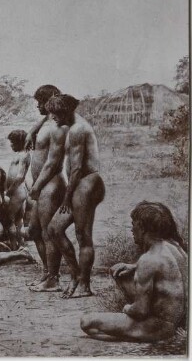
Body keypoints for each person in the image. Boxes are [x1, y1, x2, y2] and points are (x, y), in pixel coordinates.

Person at [80, 202, 187, 342]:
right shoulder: (174, 247)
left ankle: (132, 337)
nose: (131, 229)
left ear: (142, 228)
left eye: (133, 224)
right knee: (123, 275)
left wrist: (126, 308)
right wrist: (134, 266)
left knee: (86, 322)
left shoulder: (148, 260)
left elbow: (140, 311)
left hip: (157, 328)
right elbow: (163, 268)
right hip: (177, 322)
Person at [43, 94, 106, 298]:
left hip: (87, 183)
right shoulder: (71, 127)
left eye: (55, 113)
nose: (52, 117)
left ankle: (84, 285)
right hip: (81, 184)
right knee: (54, 228)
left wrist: (67, 197)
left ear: (65, 112)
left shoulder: (78, 129)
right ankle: (77, 275)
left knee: (82, 235)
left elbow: (77, 168)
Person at [26, 85, 67, 291]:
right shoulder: (48, 122)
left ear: (49, 101)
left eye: (40, 103)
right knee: (34, 230)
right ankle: (46, 272)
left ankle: (53, 278)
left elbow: (53, 163)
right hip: (42, 186)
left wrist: (37, 186)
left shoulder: (57, 127)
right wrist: (33, 128)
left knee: (48, 232)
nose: (37, 106)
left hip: (50, 184)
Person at [5, 130, 30, 250]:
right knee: (19, 219)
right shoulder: (22, 154)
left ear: (19, 142)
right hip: (20, 190)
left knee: (10, 220)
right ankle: (21, 244)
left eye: (12, 143)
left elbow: (20, 176)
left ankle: (14, 247)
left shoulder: (23, 155)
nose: (10, 145)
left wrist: (9, 191)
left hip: (16, 191)